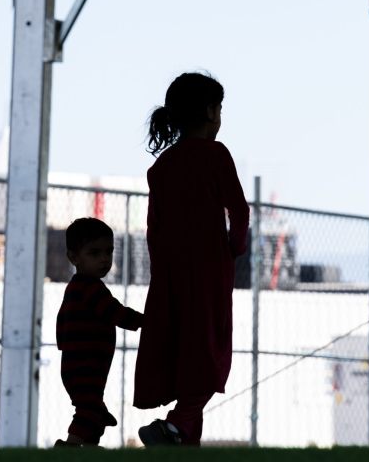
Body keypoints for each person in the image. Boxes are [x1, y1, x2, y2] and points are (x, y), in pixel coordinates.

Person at [133, 73, 249, 446]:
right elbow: (240, 211)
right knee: (210, 349)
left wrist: (161, 268)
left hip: (170, 271)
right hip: (210, 268)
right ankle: (177, 422)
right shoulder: (217, 155)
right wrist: (234, 248)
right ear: (212, 113)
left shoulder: (162, 166)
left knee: (182, 347)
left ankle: (183, 439)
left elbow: (155, 226)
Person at [55, 217, 143, 448]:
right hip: (85, 364)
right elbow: (115, 312)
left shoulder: (76, 287)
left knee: (95, 409)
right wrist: (145, 321)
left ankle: (91, 447)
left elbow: (62, 322)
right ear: (73, 257)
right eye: (94, 253)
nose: (104, 259)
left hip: (80, 364)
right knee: (89, 408)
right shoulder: (90, 288)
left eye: (109, 252)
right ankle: (70, 447)